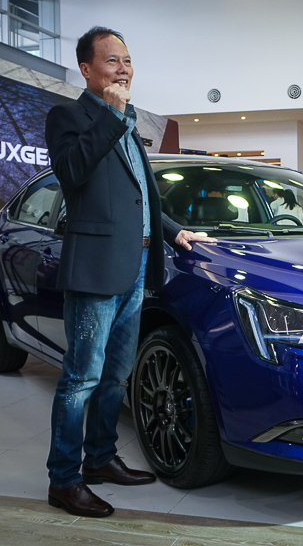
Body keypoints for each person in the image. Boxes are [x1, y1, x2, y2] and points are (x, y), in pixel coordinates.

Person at [44, 26, 213, 518]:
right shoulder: (70, 117)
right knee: (81, 377)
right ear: (86, 69)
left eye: (128, 60)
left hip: (137, 264)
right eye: (112, 60)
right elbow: (72, 174)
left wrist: (174, 231)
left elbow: (140, 195)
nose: (123, 69)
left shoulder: (128, 120)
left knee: (117, 375)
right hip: (95, 268)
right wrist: (112, 115)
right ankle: (63, 480)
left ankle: (99, 459)